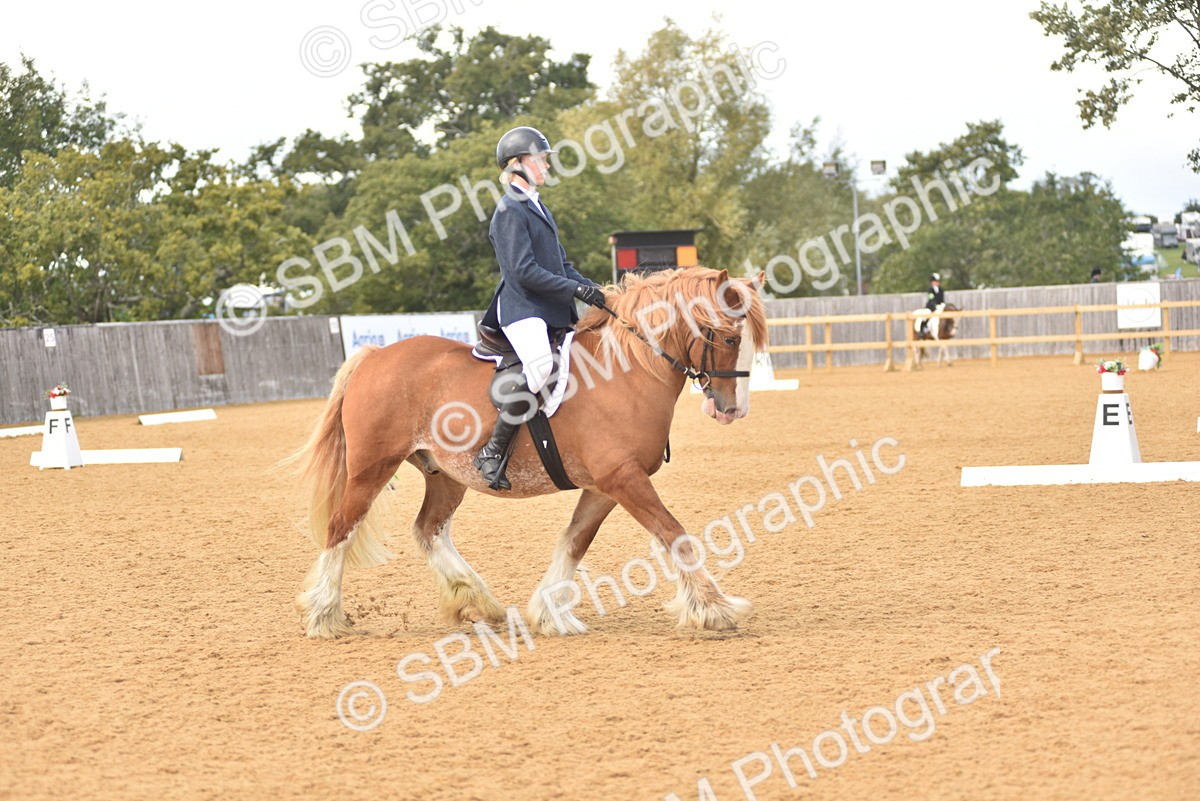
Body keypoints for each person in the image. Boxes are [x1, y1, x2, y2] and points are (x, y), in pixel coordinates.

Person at [474, 125, 606, 490]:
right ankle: (493, 451)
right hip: (522, 307)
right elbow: (524, 271)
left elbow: (561, 266)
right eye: (540, 159)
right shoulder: (509, 210)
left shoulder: (538, 207)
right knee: (540, 367)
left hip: (547, 308)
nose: (547, 166)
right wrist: (575, 289)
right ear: (517, 164)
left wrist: (599, 293)